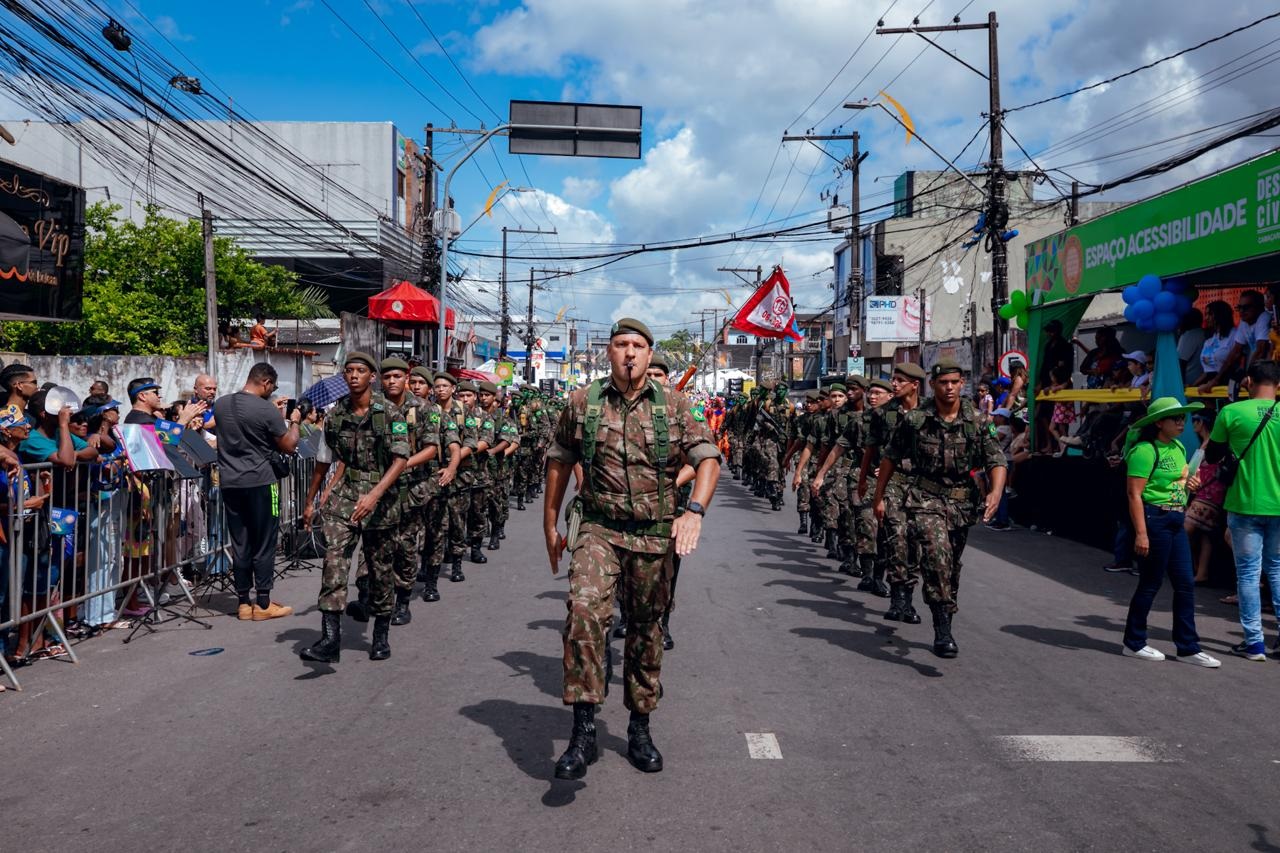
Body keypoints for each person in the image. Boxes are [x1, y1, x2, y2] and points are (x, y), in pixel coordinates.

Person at [543, 318, 720, 780]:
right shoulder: (583, 402)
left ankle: (640, 726)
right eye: (620, 344)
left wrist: (693, 512)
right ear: (609, 352)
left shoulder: (675, 405)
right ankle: (582, 732)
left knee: (646, 629)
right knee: (583, 613)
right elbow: (560, 458)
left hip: (653, 533)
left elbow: (708, 459)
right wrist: (549, 526)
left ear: (648, 352)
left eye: (637, 346)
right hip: (599, 528)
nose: (629, 353)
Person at [876, 359, 1006, 657]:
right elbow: (889, 458)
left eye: (954, 382)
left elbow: (996, 460)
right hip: (925, 498)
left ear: (962, 384)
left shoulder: (976, 419)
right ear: (932, 385)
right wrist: (878, 495)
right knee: (936, 556)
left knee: (950, 565)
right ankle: (942, 630)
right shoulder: (916, 420)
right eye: (943, 382)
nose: (949, 388)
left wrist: (996, 493)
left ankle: (945, 611)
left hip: (962, 501)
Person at [299, 352, 409, 664]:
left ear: (371, 377)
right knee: (334, 563)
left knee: (380, 569)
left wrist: (374, 494)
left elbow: (400, 459)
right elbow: (324, 460)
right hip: (345, 498)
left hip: (381, 499)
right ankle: (330, 640)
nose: (354, 376)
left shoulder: (389, 413)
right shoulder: (335, 416)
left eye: (360, 371)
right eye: (349, 371)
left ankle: (380, 635)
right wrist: (311, 501)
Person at [1119, 397, 1219, 666]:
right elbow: (1134, 494)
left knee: (1185, 584)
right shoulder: (1145, 450)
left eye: (1183, 418)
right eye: (1175, 418)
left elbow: (1182, 480)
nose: (1181, 422)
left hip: (1176, 518)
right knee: (1151, 583)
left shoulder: (1176, 446)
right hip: (1155, 519)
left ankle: (1188, 647)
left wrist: (1190, 482)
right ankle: (1134, 642)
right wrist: (1141, 533)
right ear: (1158, 422)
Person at [1203, 359, 1280, 660]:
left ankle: (1254, 643)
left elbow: (1212, 455)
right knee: (1277, 569)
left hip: (1244, 503)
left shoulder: (1231, 412)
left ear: (1247, 382)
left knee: (1248, 574)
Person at [214, 362, 301, 622]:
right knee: (264, 542)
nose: (271, 391)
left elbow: (243, 427)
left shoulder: (220, 404)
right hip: (261, 482)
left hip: (230, 482)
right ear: (265, 382)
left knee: (240, 543)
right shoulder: (266, 409)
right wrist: (293, 422)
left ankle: (243, 602)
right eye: (271, 387)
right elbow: (287, 445)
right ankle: (263, 602)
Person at [1198, 290, 1269, 393]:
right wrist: (1215, 380)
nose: (1242, 311)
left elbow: (1260, 351)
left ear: (1259, 307)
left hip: (1268, 373)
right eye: (1239, 307)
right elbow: (1235, 353)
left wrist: (1248, 376)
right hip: (1256, 372)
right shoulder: (1244, 322)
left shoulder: (1264, 317)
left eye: (1246, 307)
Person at [1193, 300, 1238, 389]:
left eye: (1210, 314)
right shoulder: (1211, 339)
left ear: (1220, 315)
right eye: (1205, 314)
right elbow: (1208, 372)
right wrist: (1193, 385)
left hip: (1226, 385)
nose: (1206, 318)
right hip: (1208, 386)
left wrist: (1215, 381)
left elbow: (1231, 362)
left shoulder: (1235, 335)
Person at [1176, 309, 1206, 386]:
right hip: (1200, 383)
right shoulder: (1203, 333)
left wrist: (1180, 385)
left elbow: (1181, 362)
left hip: (1189, 386)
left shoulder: (1189, 335)